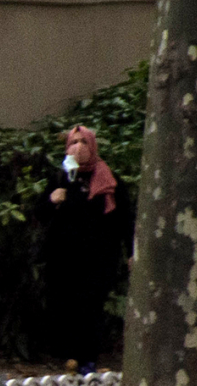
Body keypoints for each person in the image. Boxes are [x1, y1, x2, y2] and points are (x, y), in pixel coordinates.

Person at [41, 124, 130, 369]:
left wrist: (131, 252)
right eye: (73, 143)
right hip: (64, 259)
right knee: (65, 307)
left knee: (90, 308)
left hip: (97, 259)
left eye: (83, 143)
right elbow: (40, 214)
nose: (78, 148)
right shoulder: (61, 178)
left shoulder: (108, 180)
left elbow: (124, 219)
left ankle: (87, 360)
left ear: (93, 147)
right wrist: (52, 199)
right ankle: (67, 358)